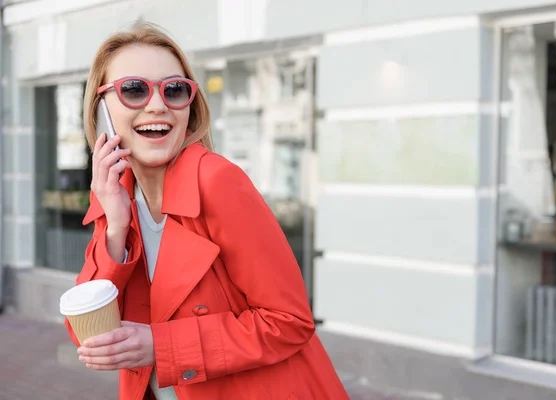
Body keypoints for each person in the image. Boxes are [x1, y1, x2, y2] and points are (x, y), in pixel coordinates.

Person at [65, 21, 349, 400]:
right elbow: (88, 334)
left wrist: (161, 346)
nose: (157, 104)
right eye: (133, 89)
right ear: (101, 110)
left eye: (174, 89)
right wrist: (116, 228)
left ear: (190, 105)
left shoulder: (218, 182)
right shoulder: (114, 194)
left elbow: (289, 321)